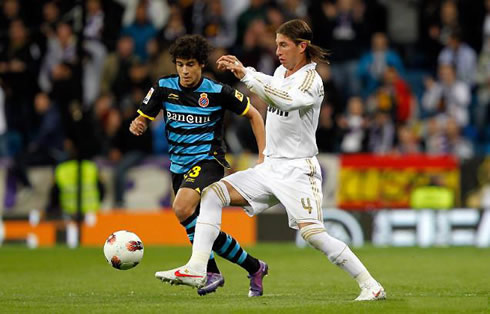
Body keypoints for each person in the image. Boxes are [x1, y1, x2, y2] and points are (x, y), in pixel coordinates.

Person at [155, 19, 386, 301]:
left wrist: (247, 75)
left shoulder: (312, 80)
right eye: (276, 44)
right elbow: (272, 87)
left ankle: (370, 284)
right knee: (212, 195)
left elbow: (286, 100)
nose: (277, 50)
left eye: (283, 45)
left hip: (298, 170)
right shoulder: (280, 71)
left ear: (302, 47)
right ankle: (198, 267)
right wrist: (248, 73)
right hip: (271, 168)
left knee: (314, 235)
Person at [129, 34, 267, 296]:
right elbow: (142, 117)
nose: (184, 71)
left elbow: (254, 114)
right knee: (199, 225)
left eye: (190, 64)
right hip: (178, 166)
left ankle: (208, 270)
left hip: (209, 160)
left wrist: (262, 156)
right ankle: (253, 266)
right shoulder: (163, 87)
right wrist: (138, 123)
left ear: (201, 64)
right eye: (180, 64)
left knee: (181, 207)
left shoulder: (217, 91)